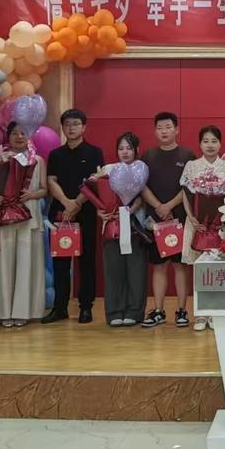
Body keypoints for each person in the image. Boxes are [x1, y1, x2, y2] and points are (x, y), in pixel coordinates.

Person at [44, 109, 105, 324]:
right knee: (60, 262)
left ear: (84, 127)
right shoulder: (56, 154)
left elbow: (95, 181)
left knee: (86, 262)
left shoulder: (94, 152)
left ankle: (85, 307)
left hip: (85, 213)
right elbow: (51, 181)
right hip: (60, 213)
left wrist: (76, 204)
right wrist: (66, 203)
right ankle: (59, 307)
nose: (71, 128)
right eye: (67, 124)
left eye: (76, 124)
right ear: (62, 127)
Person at [0, 121, 47, 326]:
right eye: (14, 133)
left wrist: (32, 194)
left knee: (26, 263)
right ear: (8, 136)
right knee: (2, 264)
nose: (19, 137)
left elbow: (44, 189)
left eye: (23, 133)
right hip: (2, 215)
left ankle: (23, 311)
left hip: (29, 215)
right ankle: (3, 312)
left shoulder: (37, 160)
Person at [140, 112, 196, 328]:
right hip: (156, 220)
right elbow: (142, 186)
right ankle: (158, 311)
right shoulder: (147, 156)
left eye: (168, 127)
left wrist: (169, 206)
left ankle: (182, 311)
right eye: (160, 128)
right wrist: (159, 207)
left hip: (180, 218)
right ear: (155, 131)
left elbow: (189, 187)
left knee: (180, 266)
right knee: (159, 266)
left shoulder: (187, 155)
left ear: (176, 129)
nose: (164, 131)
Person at [182, 125, 225, 330]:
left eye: (214, 141)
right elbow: (186, 195)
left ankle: (216, 311)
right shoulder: (191, 166)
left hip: (220, 226)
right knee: (200, 269)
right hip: (197, 226)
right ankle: (200, 314)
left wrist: (224, 219)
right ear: (199, 144)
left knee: (218, 269)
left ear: (220, 143)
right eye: (205, 141)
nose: (210, 145)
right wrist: (192, 218)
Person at [98, 132, 149, 327]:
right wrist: (100, 211)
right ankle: (114, 311)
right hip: (112, 226)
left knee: (136, 270)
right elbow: (97, 196)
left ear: (137, 150)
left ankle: (135, 311)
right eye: (121, 148)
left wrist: (134, 207)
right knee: (113, 270)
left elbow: (145, 195)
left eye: (129, 148)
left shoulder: (142, 169)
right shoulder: (107, 170)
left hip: (135, 226)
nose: (125, 152)